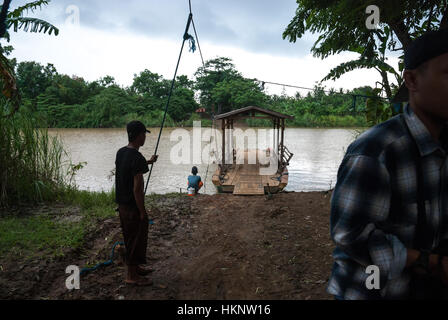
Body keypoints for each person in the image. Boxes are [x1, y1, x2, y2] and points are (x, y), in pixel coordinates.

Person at [327, 28, 448, 300]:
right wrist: (430, 263)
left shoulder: (443, 145)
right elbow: (350, 234)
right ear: (412, 80)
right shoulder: (376, 151)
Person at [115, 120, 158, 286]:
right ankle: (131, 276)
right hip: (132, 206)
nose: (144, 137)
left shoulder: (121, 153)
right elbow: (137, 189)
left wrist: (148, 161)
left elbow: (128, 168)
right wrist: (142, 211)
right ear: (139, 136)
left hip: (122, 205)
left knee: (129, 237)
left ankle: (135, 268)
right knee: (136, 239)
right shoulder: (137, 157)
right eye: (143, 134)